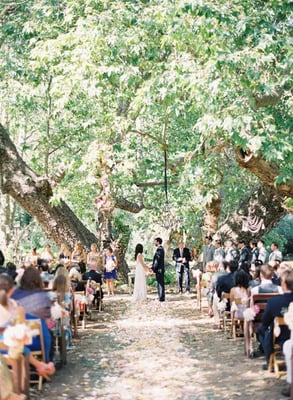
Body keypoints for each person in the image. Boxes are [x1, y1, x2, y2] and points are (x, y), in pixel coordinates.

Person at [0, 274, 55, 381]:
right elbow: (22, 336)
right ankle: (40, 366)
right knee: (22, 350)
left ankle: (40, 365)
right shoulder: (17, 308)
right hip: (12, 351)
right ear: (12, 291)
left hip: (9, 350)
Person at [257, 270, 293, 370]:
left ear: (284, 284)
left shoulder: (274, 302)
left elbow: (265, 323)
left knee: (263, 330)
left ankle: (269, 360)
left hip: (282, 336)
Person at [151, 237, 165, 302]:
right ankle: (160, 296)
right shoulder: (160, 249)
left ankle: (161, 297)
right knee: (159, 283)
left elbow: (157, 261)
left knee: (160, 283)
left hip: (159, 269)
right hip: (160, 269)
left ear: (158, 242)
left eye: (155, 241)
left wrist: (153, 268)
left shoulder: (159, 250)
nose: (154, 243)